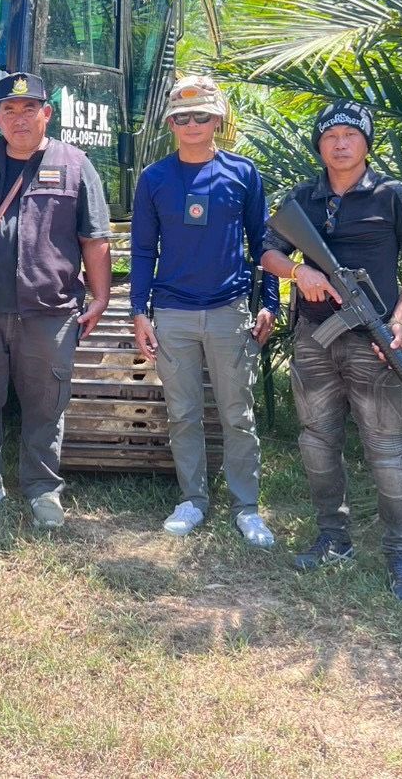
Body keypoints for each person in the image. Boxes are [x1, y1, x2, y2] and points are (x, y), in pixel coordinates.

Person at [260, 100, 402, 604]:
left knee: (388, 450)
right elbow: (268, 251)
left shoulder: (396, 196)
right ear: (319, 145)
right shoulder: (303, 198)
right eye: (330, 136)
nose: (340, 144)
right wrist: (299, 272)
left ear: (366, 143)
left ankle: (401, 557)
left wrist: (399, 321)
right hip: (314, 339)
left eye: (350, 135)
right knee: (317, 442)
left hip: (375, 342)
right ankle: (333, 539)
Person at [0, 71, 113, 529]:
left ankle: (42, 487)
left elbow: (94, 238)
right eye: (9, 110)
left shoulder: (74, 165)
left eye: (29, 109)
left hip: (49, 309)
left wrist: (101, 296)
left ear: (46, 113)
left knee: (46, 403)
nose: (19, 118)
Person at [130, 76, 279, 546]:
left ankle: (247, 507)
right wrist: (138, 311)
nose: (192, 124)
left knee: (237, 414)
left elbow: (264, 245)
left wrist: (270, 302)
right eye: (182, 117)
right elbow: (142, 250)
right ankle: (192, 499)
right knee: (183, 413)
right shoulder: (154, 179)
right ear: (170, 124)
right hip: (172, 312)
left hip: (229, 310)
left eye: (201, 116)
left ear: (218, 120)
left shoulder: (243, 173)